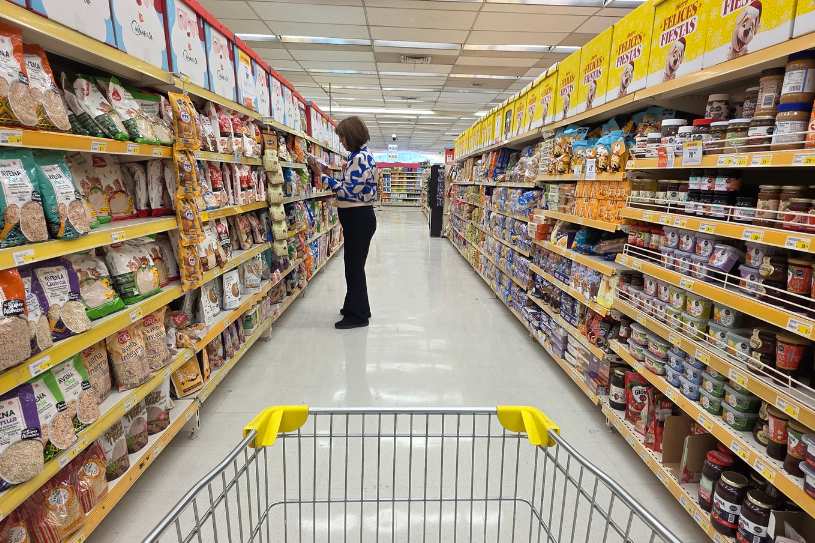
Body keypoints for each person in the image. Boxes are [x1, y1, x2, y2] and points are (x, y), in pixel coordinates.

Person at [308, 115, 377, 329]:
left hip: (358, 219)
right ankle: (358, 307)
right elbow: (351, 186)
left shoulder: (360, 159)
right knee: (354, 266)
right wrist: (332, 176)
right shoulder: (358, 156)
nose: (341, 141)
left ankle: (357, 316)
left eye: (343, 137)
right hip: (358, 219)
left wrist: (322, 176)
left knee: (354, 268)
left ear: (353, 136)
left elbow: (347, 192)